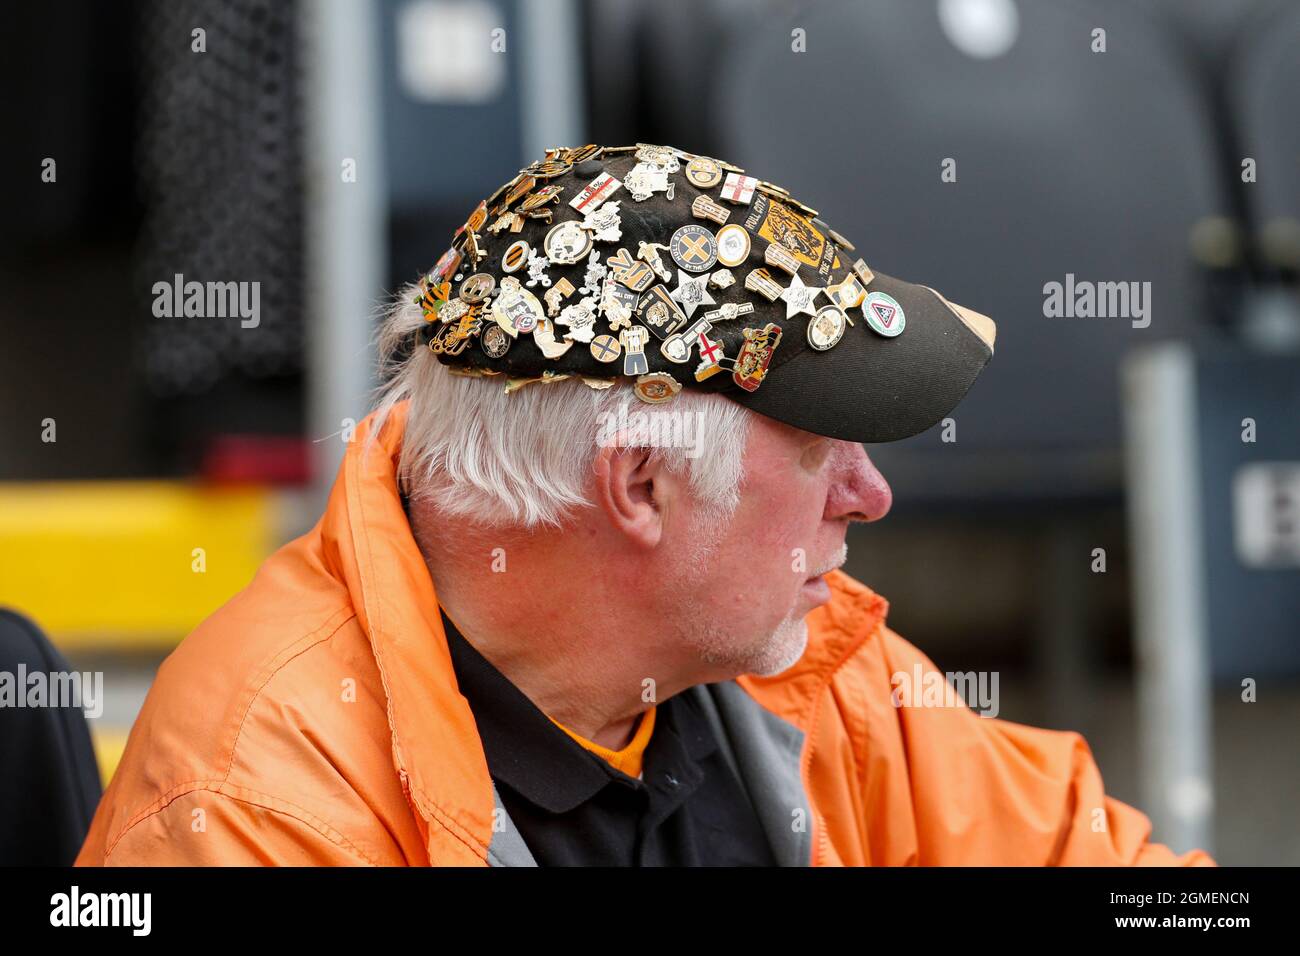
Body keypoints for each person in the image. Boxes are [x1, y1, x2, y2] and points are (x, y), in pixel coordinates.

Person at [77, 144, 1213, 866]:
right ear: (641, 485)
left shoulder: (811, 660)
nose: (870, 494)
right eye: (823, 446)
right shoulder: (254, 809)